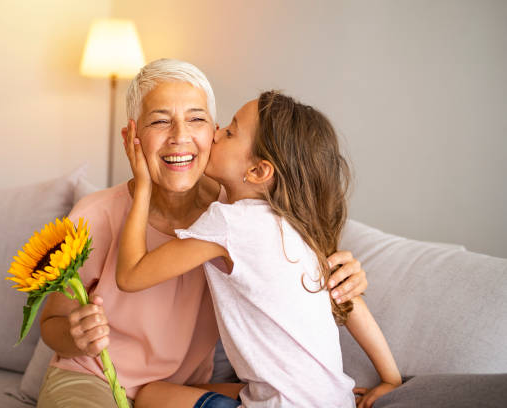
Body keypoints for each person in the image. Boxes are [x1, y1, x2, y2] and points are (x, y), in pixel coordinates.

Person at [37, 59, 368, 408]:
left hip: (180, 391)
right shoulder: (94, 215)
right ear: (131, 137)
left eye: (196, 119)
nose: (180, 136)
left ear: (214, 131)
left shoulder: (239, 215)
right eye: (161, 121)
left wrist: (345, 275)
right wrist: (76, 335)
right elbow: (51, 324)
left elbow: (297, 273)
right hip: (93, 379)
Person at [117, 90, 401, 407]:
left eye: (230, 132)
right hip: (334, 399)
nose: (216, 131)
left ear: (257, 171)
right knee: (200, 387)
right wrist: (391, 378)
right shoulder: (295, 225)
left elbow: (130, 276)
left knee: (149, 394)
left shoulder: (229, 223)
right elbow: (350, 304)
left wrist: (142, 185)